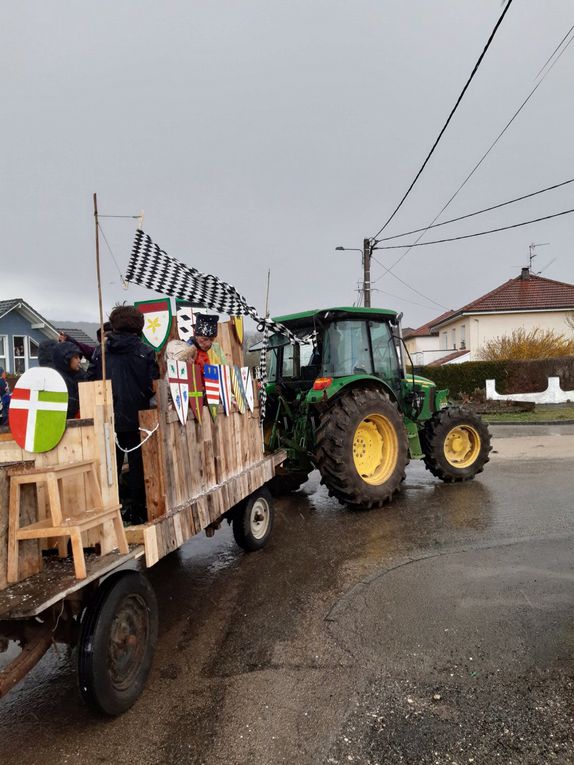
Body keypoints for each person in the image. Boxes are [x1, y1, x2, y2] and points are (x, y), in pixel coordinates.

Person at [88, 304, 159, 524]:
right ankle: (138, 511)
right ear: (139, 326)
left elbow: (91, 381)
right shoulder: (146, 352)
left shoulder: (100, 352)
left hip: (107, 414)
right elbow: (152, 385)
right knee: (139, 467)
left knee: (109, 468)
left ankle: (111, 515)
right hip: (140, 416)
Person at [49, 342, 87, 419]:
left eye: (79, 357)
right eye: (76, 358)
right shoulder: (58, 379)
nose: (79, 361)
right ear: (66, 360)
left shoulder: (80, 375)